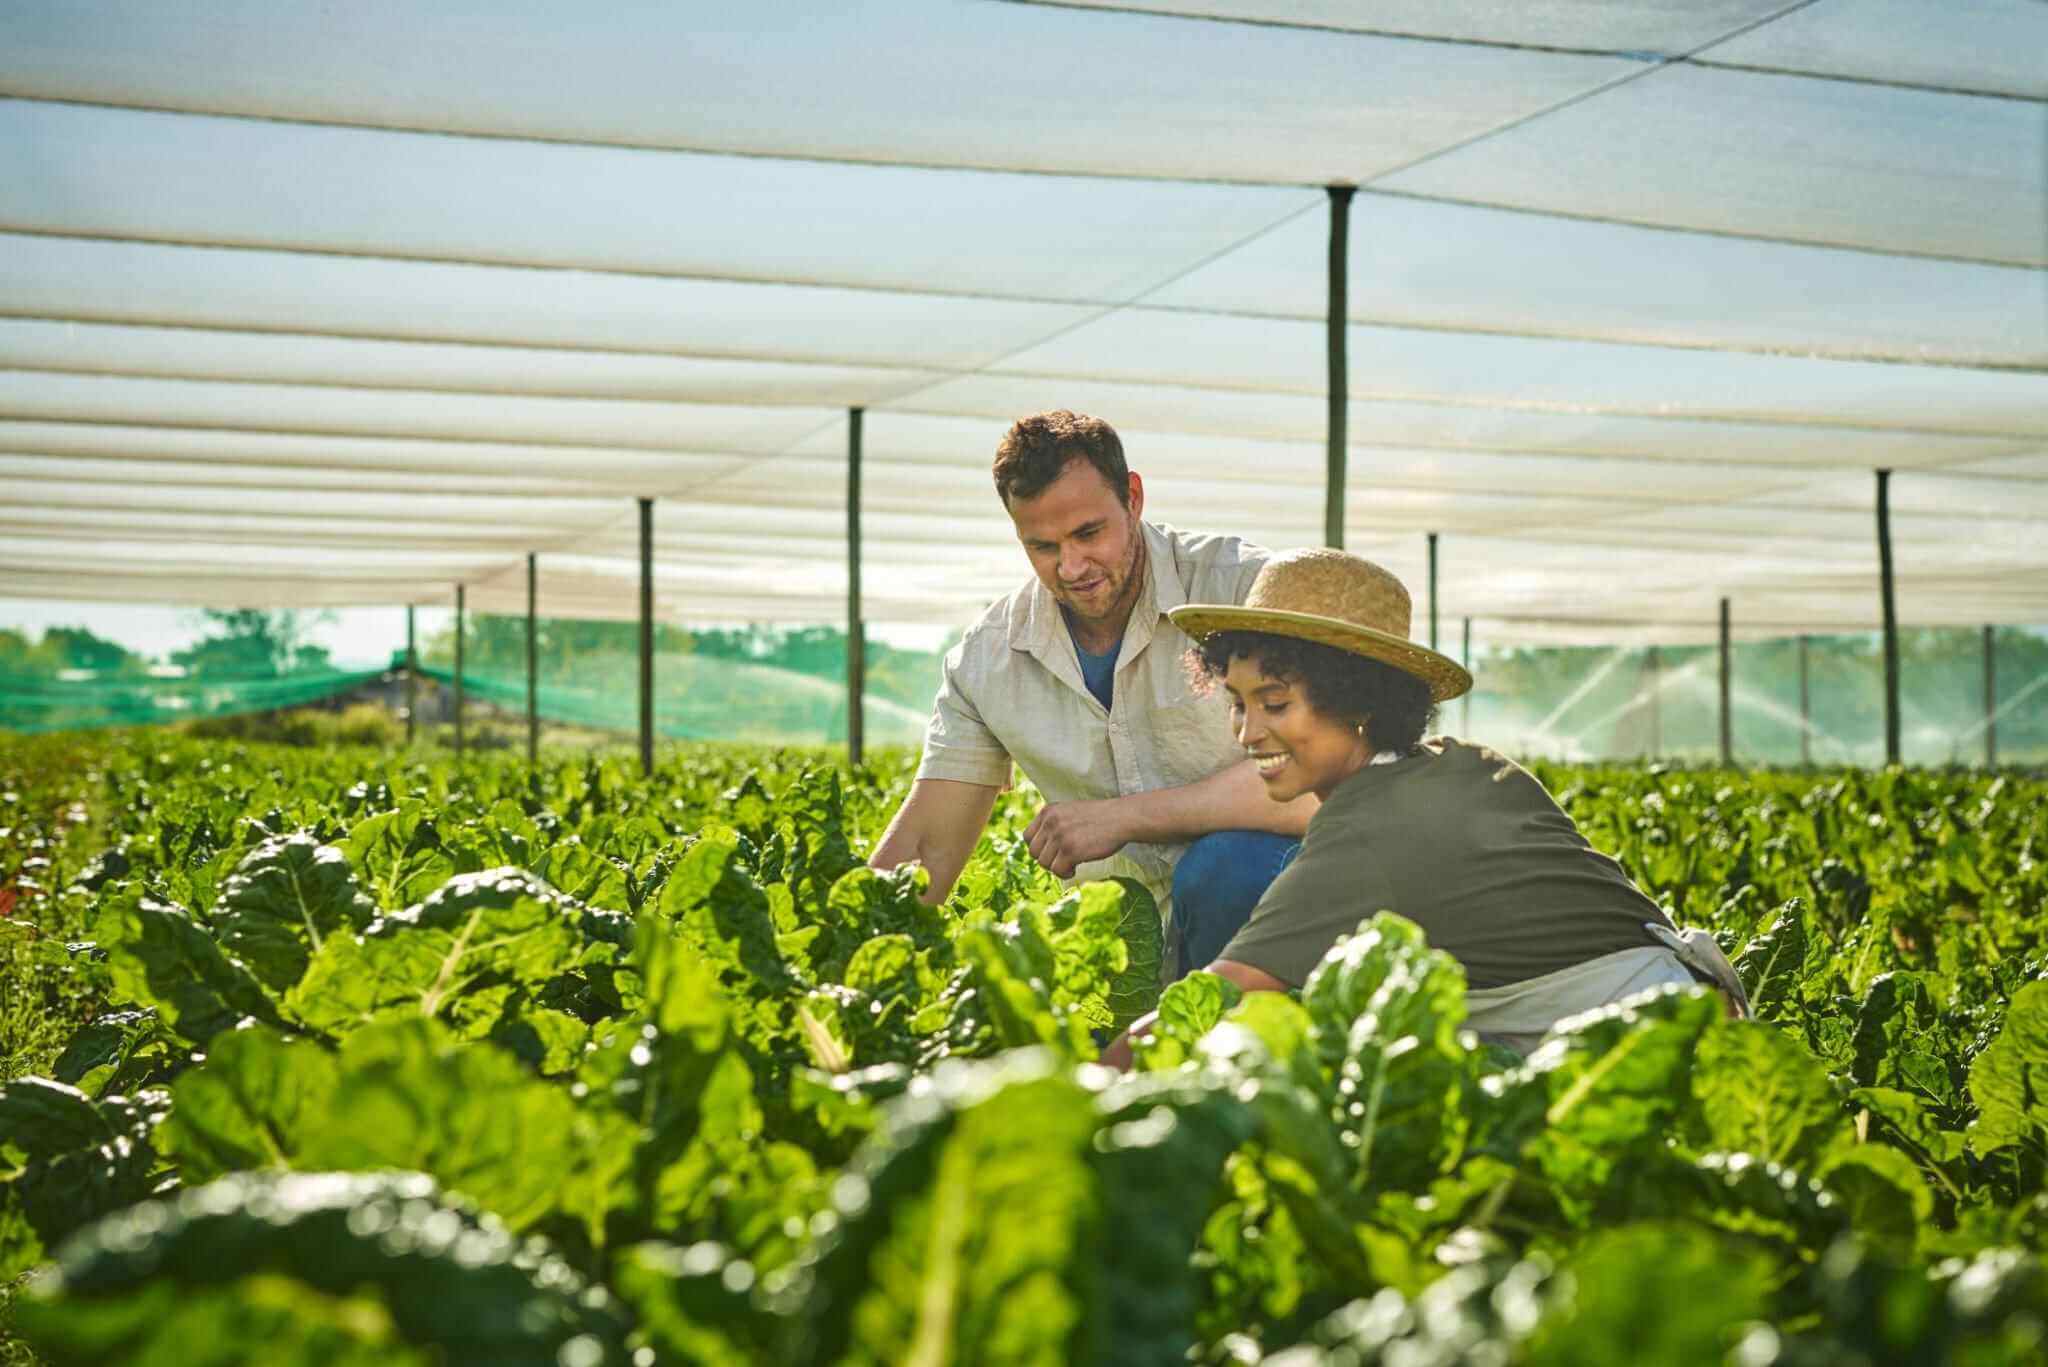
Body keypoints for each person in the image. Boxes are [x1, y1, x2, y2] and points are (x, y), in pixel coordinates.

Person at [1102, 547, 1748, 1066]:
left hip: (1653, 1061)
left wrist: (1078, 1096)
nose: (1246, 733)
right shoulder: (1464, 763)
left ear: (1358, 700)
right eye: (1237, 704)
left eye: (1275, 704)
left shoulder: (1370, 831)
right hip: (1691, 1019)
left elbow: (1213, 1002)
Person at [867, 411, 1316, 972]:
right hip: (1123, 950)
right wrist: (843, 960)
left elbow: (1323, 784)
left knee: (1227, 867)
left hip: (1283, 918)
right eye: (1043, 547)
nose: (1073, 566)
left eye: (1088, 533)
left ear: (1133, 497)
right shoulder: (990, 658)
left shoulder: (1244, 592)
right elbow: (926, 848)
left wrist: (1123, 817)